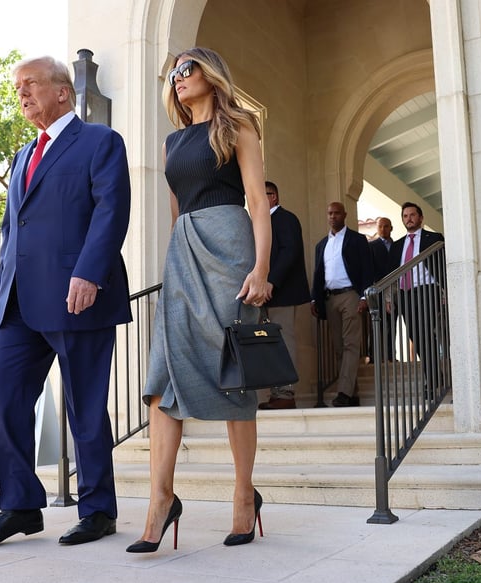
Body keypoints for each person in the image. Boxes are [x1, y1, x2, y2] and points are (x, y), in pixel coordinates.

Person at [0, 56, 132, 549]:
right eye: (17, 88)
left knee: (86, 407)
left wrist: (89, 272)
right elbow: (14, 229)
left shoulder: (100, 142)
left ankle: (97, 509)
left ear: (62, 91)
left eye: (30, 84)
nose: (22, 94)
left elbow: (111, 210)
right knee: (3, 392)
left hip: (80, 295)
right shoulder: (20, 157)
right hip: (20, 302)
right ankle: (19, 506)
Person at [128, 47, 273, 554]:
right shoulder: (172, 143)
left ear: (211, 74)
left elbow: (257, 201)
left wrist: (261, 268)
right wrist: (173, 265)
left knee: (234, 371)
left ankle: (242, 495)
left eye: (187, 69)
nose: (178, 78)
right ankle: (161, 501)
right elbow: (176, 213)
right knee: (162, 376)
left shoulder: (239, 127)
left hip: (231, 250)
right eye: (173, 73)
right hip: (185, 253)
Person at [310, 201, 374, 407]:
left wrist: (365, 296)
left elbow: (367, 269)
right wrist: (315, 298)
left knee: (351, 344)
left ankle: (343, 393)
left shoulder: (357, 239)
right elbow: (318, 274)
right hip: (330, 298)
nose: (333, 216)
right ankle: (353, 393)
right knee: (338, 347)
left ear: (344, 215)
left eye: (337, 213)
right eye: (330, 213)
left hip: (350, 295)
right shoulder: (322, 244)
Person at [258, 181, 310, 410]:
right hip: (263, 295)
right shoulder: (260, 223)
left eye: (264, 193)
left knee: (284, 343)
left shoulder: (286, 219)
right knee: (268, 345)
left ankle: (286, 393)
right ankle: (275, 393)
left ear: (274, 197)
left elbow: (290, 252)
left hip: (283, 293)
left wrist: (271, 282)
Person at [388, 202, 445, 399]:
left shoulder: (434, 238)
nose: (409, 219)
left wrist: (445, 290)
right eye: (405, 216)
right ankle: (435, 374)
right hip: (405, 293)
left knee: (425, 331)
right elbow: (391, 274)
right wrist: (389, 297)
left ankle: (431, 378)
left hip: (427, 290)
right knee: (415, 334)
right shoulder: (397, 245)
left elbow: (443, 265)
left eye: (412, 215)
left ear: (420, 218)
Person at [367, 216, 395, 362]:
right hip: (377, 289)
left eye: (386, 226)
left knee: (392, 324)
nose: (383, 229)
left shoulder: (397, 246)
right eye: (380, 227)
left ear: (391, 228)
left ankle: (391, 356)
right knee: (376, 324)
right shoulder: (371, 246)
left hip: (395, 290)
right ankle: (373, 357)